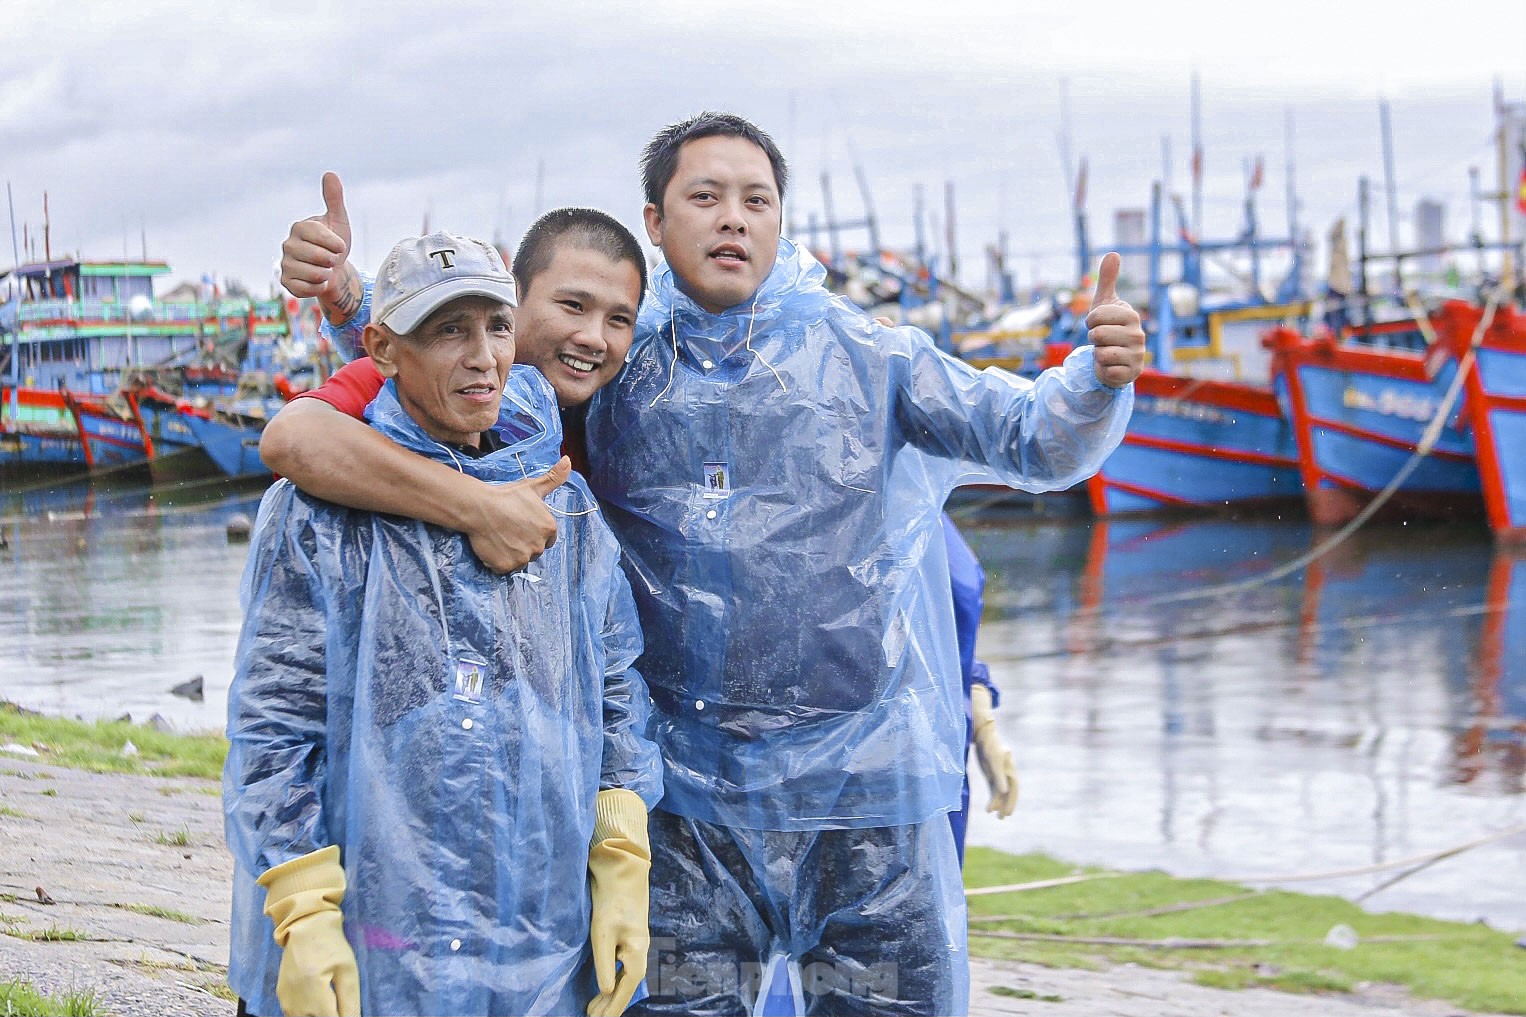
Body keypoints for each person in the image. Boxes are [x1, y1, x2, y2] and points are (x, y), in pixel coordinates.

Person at [270, 112, 1144, 1016]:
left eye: (756, 199)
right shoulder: (613, 358)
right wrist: (348, 301)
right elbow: (455, 393)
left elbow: (1028, 436)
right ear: (655, 221)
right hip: (681, 811)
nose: (734, 218)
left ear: (780, 220)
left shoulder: (872, 356)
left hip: (864, 806)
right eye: (706, 196)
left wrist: (1097, 380)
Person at [224, 231, 662, 1017]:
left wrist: (621, 841)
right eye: (448, 330)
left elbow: (615, 684)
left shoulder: (563, 501)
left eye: (495, 326)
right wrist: (299, 898)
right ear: (384, 351)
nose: (483, 356)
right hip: (369, 937)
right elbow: (274, 724)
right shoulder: (317, 513)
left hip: (532, 942)